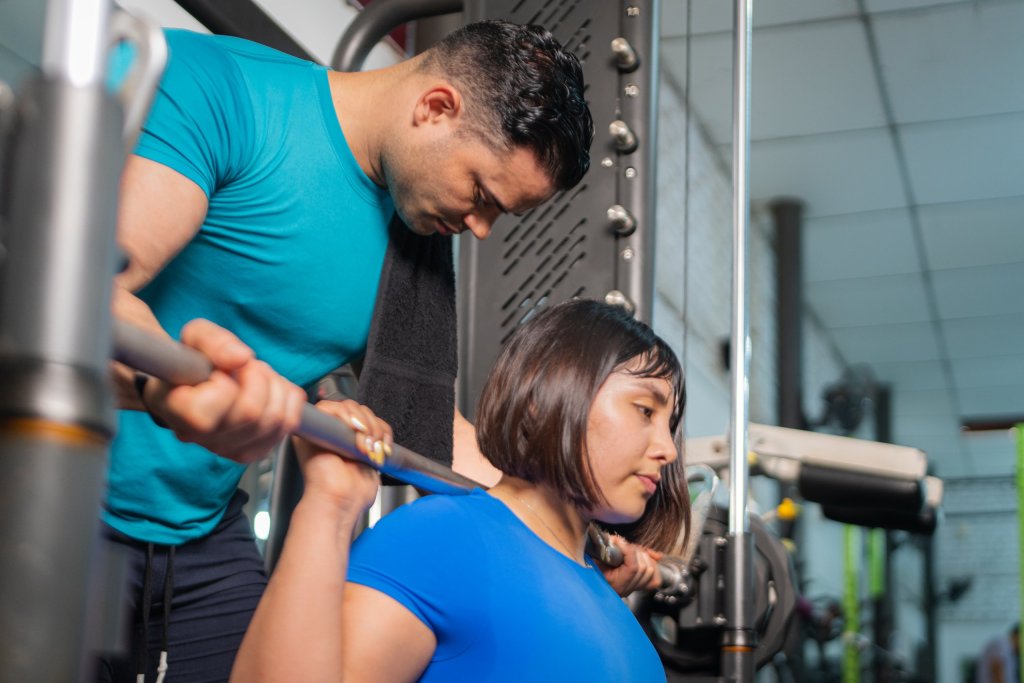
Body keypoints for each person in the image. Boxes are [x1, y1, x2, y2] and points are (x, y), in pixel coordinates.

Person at [99, 20, 593, 682]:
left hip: (198, 534)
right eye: (482, 195)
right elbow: (84, 299)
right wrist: (167, 390)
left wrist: (573, 522)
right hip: (63, 494)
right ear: (436, 107)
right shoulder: (218, 88)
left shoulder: (410, 232)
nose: (479, 228)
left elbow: (424, 426)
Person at [230, 299, 689, 682]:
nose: (667, 449)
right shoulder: (441, 540)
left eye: (670, 426)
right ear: (543, 399)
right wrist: (329, 505)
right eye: (645, 410)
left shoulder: (606, 598)